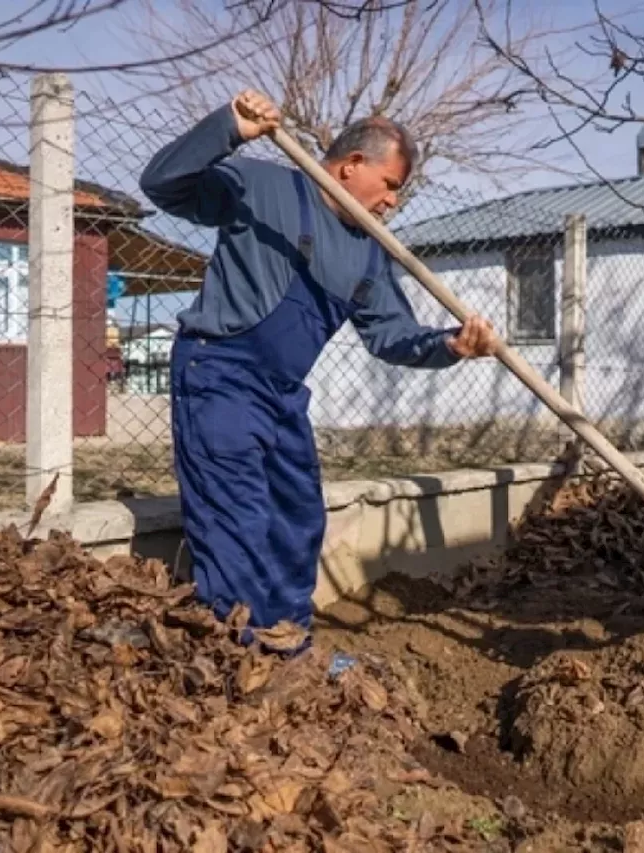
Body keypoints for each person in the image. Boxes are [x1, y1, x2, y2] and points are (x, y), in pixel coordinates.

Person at [139, 90, 499, 646]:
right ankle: (237, 659)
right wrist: (228, 128)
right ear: (353, 165)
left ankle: (289, 650)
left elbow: (391, 336)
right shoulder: (263, 187)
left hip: (282, 395)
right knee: (240, 523)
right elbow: (163, 183)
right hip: (220, 375)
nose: (393, 203)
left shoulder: (369, 249)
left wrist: (451, 345)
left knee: (298, 522)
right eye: (392, 185)